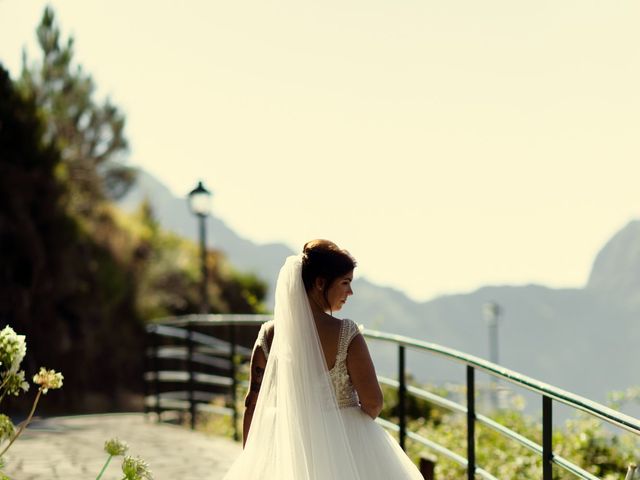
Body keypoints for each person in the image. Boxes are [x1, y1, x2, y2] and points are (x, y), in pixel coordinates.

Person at [222, 240, 423, 479]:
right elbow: (373, 402)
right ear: (320, 283)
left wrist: (254, 460)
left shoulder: (268, 335)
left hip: (287, 445)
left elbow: (252, 405)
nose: (350, 292)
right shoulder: (346, 334)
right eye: (345, 283)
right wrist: (347, 427)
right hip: (345, 447)